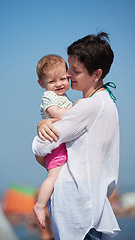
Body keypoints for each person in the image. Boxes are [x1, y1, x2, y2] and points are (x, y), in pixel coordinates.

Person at [32, 32, 120, 240]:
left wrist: (43, 125)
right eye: (69, 67)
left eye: (75, 70)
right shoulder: (107, 101)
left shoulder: (88, 106)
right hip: (93, 203)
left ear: (97, 74)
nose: (68, 74)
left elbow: (40, 147)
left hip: (78, 207)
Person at [33, 54, 73, 229]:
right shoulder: (48, 97)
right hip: (54, 144)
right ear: (42, 84)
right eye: (52, 81)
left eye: (63, 78)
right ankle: (40, 205)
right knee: (53, 176)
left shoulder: (65, 97)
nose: (59, 84)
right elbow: (55, 112)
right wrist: (77, 111)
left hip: (61, 143)